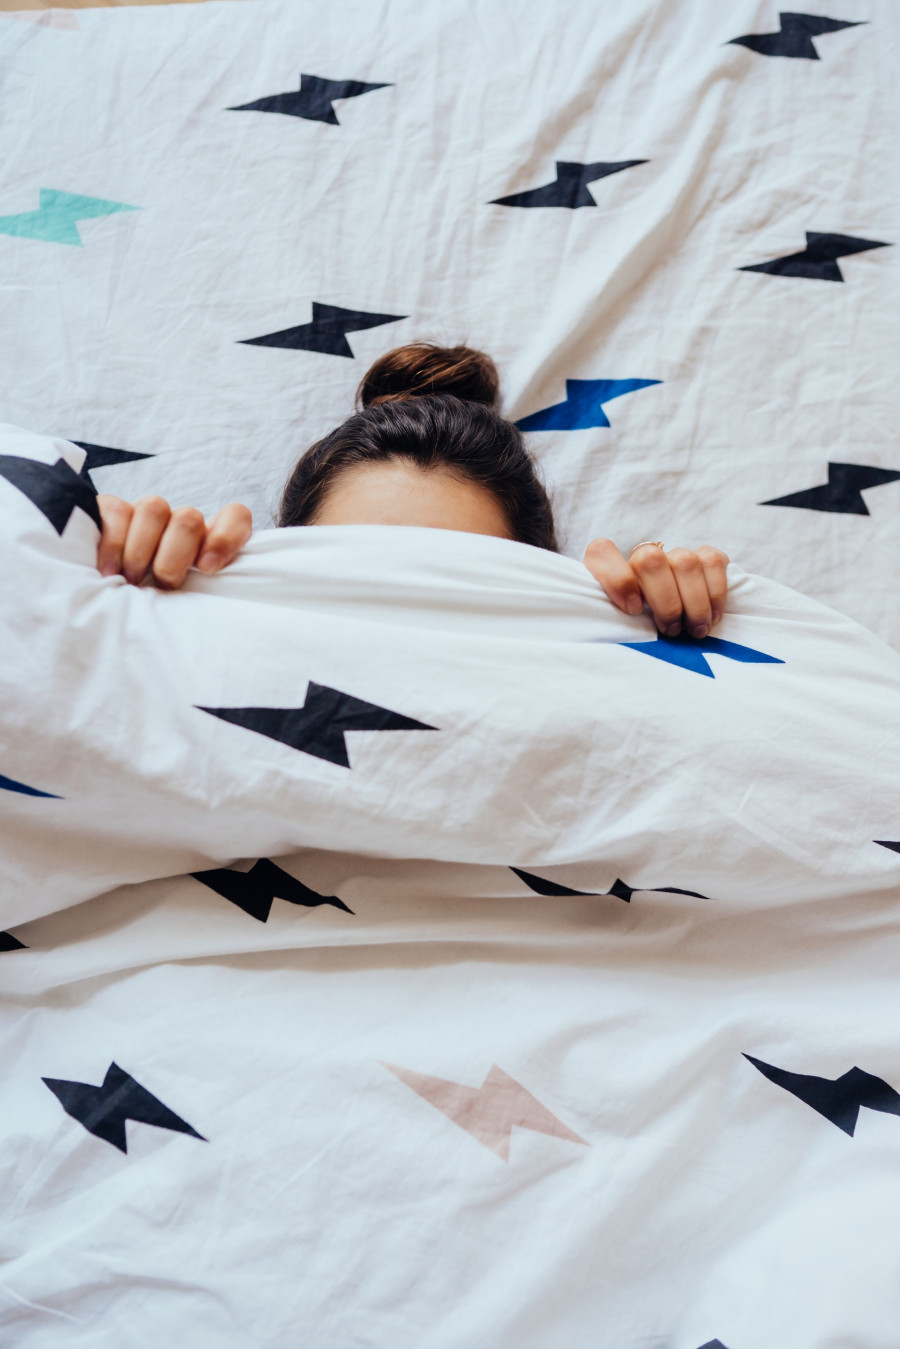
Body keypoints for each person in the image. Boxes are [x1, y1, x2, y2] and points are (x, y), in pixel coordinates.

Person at [93, 343, 730, 639]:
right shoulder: (185, 643)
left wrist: (664, 624)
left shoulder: (600, 674)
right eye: (355, 567)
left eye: (456, 574)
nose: (400, 599)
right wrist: (100, 573)